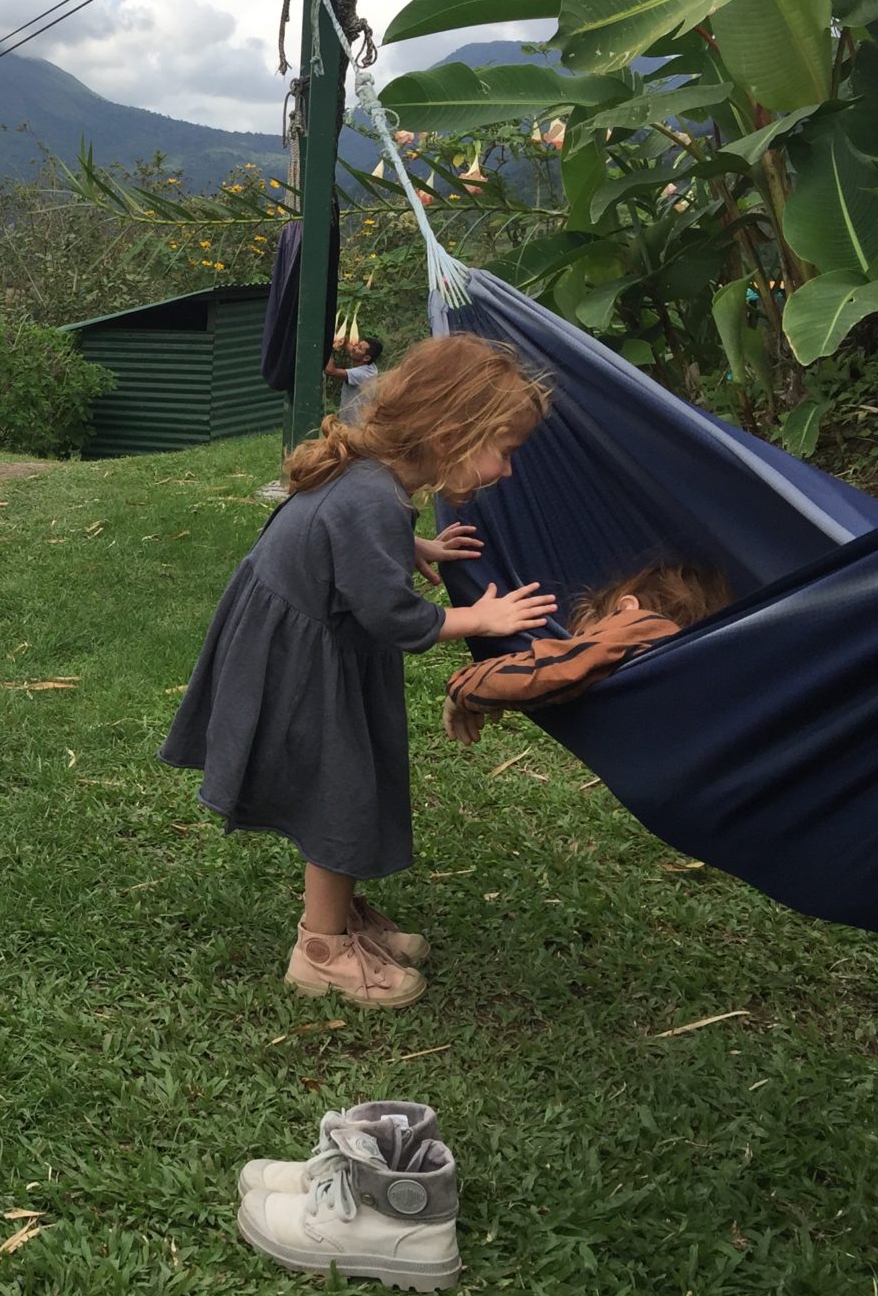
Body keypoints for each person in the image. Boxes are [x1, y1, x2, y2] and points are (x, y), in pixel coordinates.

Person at [160, 336, 556, 1009]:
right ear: (451, 434)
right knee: (336, 792)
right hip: (302, 664)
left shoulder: (377, 478)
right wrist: (479, 621)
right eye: (504, 451)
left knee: (349, 781)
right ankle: (320, 949)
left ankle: (338, 918)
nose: (507, 471)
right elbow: (390, 614)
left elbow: (347, 533)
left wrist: (412, 542)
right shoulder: (372, 497)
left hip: (310, 644)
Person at [442, 560, 732, 744]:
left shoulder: (643, 627)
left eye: (588, 635)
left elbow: (552, 670)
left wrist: (464, 688)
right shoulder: (714, 658)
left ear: (626, 607)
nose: (582, 644)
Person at [325, 333, 383, 422]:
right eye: (358, 345)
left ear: (366, 358)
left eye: (359, 348)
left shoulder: (362, 374)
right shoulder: (368, 364)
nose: (354, 348)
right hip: (354, 423)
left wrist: (328, 347)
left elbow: (330, 371)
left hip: (353, 426)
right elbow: (352, 350)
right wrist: (344, 342)